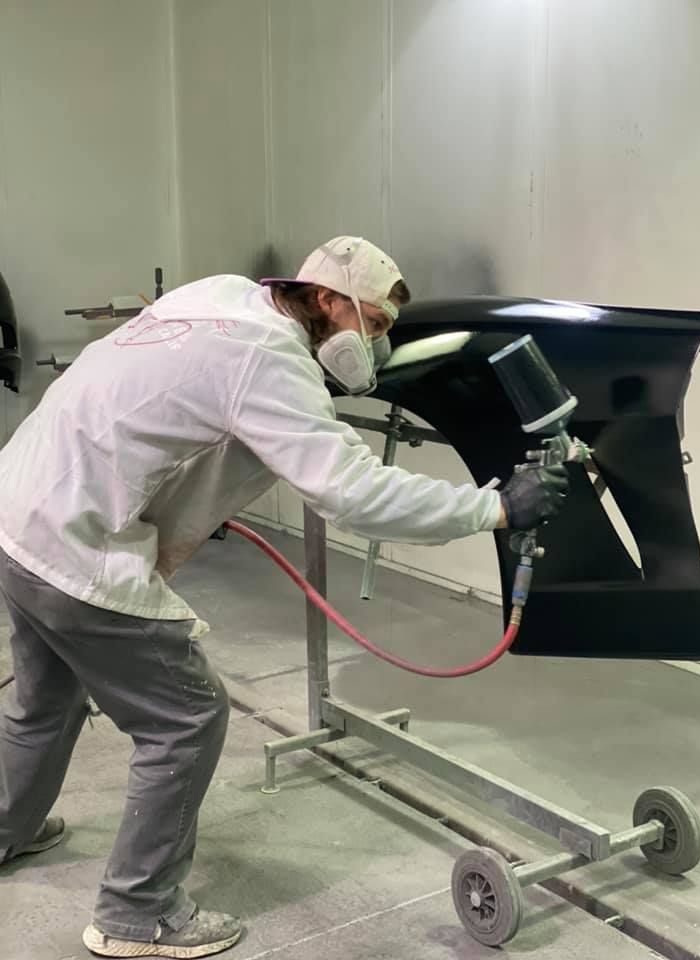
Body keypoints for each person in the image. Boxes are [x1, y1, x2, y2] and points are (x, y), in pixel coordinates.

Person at [0, 236, 567, 958]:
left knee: (44, 698)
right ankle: (136, 914)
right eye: (376, 326)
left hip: (18, 510)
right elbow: (351, 493)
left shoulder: (223, 295)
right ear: (327, 302)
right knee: (187, 716)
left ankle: (6, 828)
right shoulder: (268, 359)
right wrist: (495, 509)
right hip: (75, 545)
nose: (379, 349)